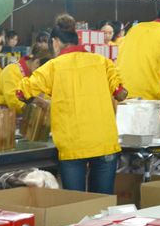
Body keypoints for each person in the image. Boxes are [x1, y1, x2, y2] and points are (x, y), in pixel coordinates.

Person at [18, 14, 127, 194]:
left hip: (72, 145)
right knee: (102, 203)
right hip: (104, 142)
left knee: (75, 204)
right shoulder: (102, 62)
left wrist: (41, 102)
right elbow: (121, 94)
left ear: (55, 42)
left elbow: (21, 92)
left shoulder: (52, 67)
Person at [0, 42, 53, 113]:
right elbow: (14, 103)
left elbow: (47, 96)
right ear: (37, 63)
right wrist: (39, 103)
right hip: (5, 116)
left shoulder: (34, 76)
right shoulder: (11, 71)